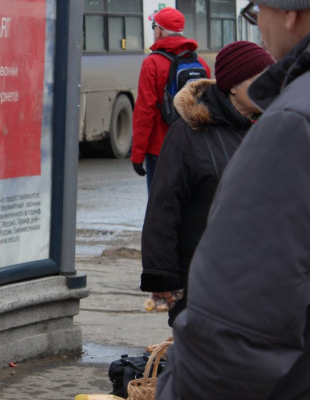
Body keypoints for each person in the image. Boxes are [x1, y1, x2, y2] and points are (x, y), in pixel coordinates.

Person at [156, 1, 310, 399]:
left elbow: (235, 335)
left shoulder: (289, 123)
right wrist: (164, 282)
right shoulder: (190, 135)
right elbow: (163, 209)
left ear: (290, 13)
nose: (259, 25)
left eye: (259, 11)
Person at [140, 41, 275, 327]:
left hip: (256, 277)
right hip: (201, 280)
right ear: (233, 86)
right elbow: (163, 207)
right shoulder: (187, 135)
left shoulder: (269, 129)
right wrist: (162, 276)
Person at [130, 7, 211, 192]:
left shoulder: (152, 63)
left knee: (160, 209)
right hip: (193, 147)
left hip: (161, 149)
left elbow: (145, 111)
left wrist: (137, 154)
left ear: (158, 30)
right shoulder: (201, 64)